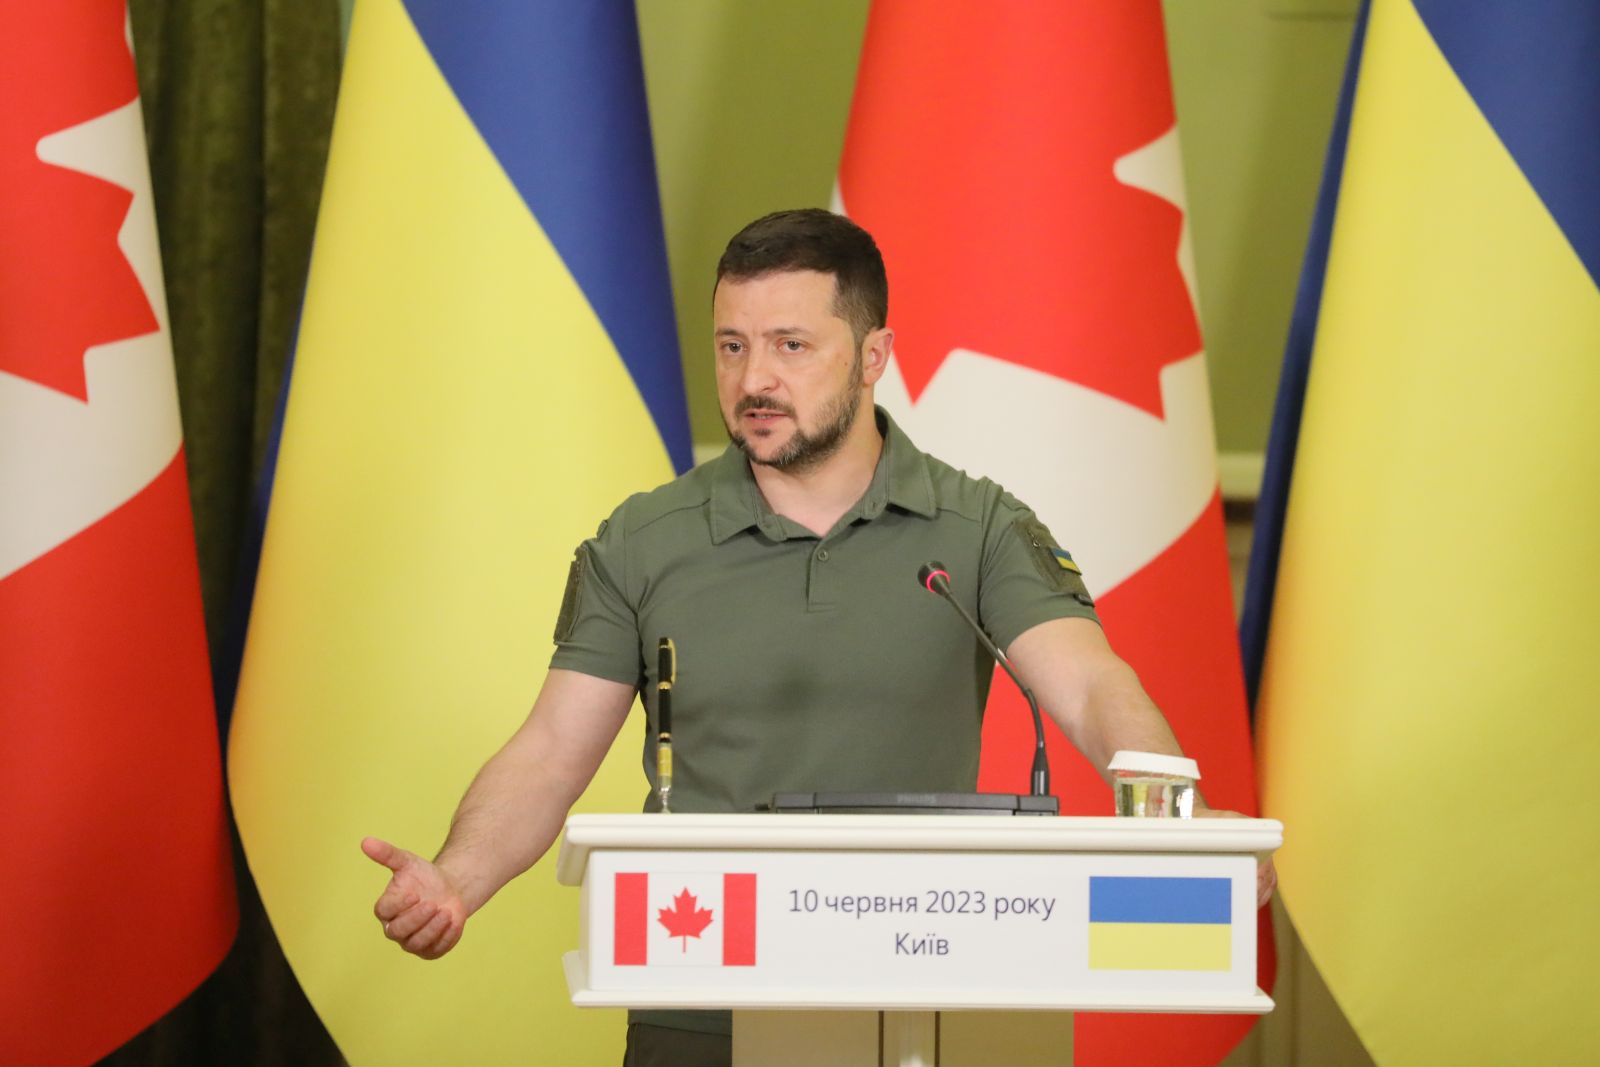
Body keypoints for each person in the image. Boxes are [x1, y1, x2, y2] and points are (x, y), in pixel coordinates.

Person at [363, 208, 1275, 1066]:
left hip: (921, 996)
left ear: (874, 354)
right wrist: (455, 878)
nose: (754, 379)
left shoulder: (977, 525)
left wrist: (1179, 825)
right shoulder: (643, 540)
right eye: (732, 346)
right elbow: (552, 750)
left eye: (790, 346)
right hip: (699, 993)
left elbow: (1086, 685)